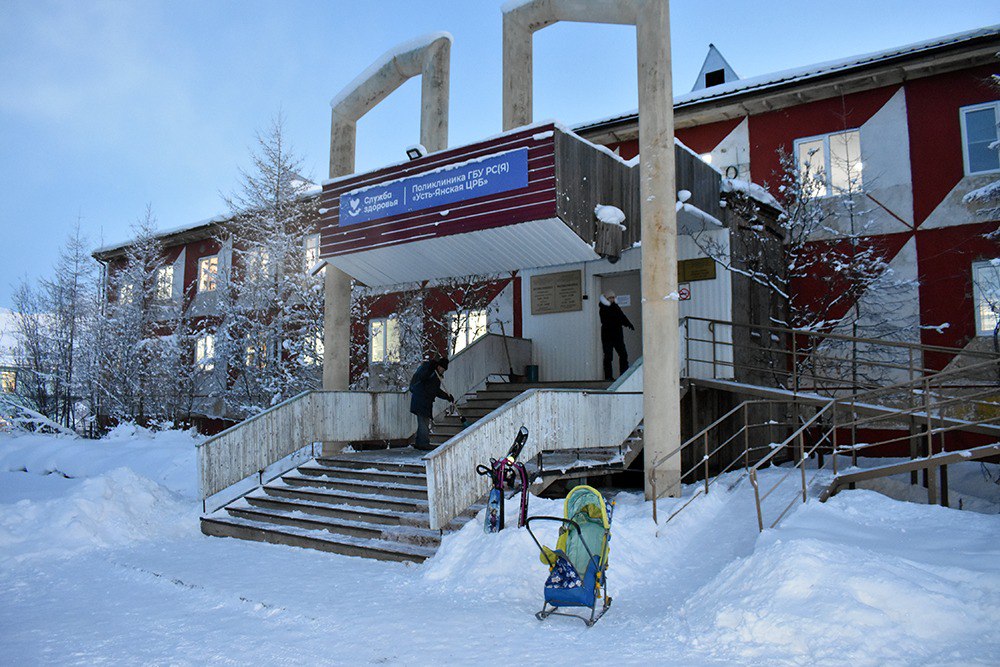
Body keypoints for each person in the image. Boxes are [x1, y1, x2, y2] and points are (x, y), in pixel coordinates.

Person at [408, 357, 454, 451]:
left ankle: (419, 443)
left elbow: (435, 390)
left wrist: (447, 397)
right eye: (443, 369)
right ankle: (424, 444)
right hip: (421, 400)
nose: (443, 371)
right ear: (439, 366)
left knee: (422, 422)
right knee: (424, 422)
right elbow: (424, 379)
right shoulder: (430, 371)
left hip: (424, 401)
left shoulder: (435, 375)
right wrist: (430, 370)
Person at [599, 290, 634, 381]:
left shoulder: (616, 307)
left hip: (617, 335)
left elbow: (622, 316)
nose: (612, 299)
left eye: (613, 297)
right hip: (607, 336)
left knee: (623, 354)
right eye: (610, 298)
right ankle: (608, 376)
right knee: (608, 356)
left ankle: (624, 373)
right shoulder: (603, 308)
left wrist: (628, 324)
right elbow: (607, 320)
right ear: (606, 299)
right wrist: (618, 321)